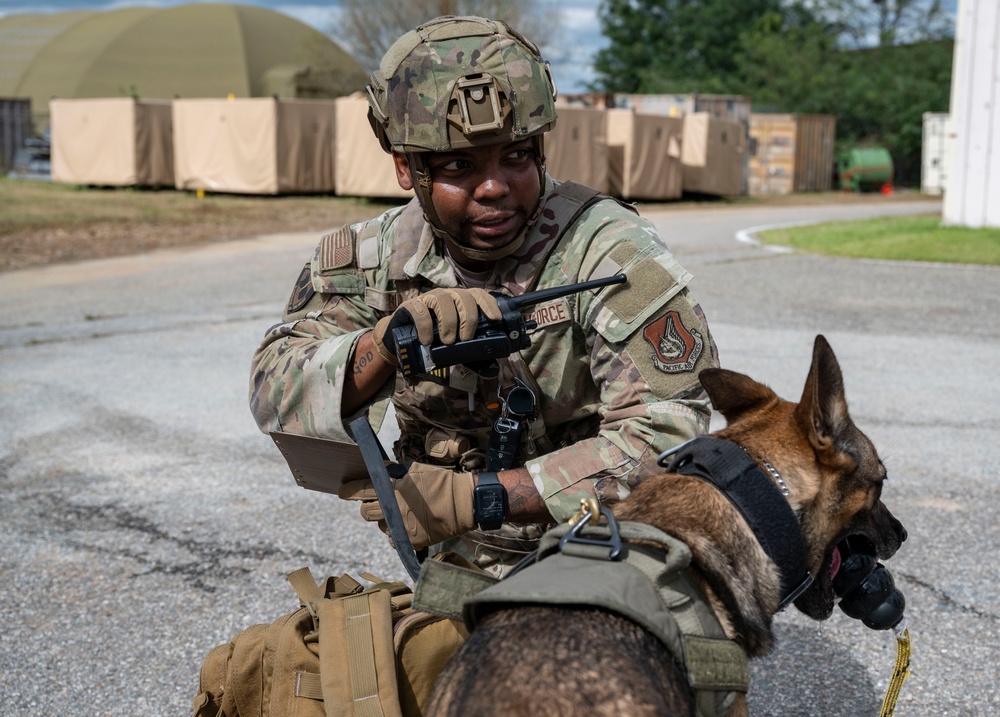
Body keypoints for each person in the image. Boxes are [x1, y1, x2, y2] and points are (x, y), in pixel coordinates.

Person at [249, 15, 719, 578]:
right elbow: (274, 388)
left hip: (602, 544)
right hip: (453, 560)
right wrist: (382, 343)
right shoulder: (372, 257)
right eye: (458, 166)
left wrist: (479, 498)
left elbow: (672, 433)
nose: (494, 186)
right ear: (407, 168)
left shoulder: (607, 250)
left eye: (516, 156)